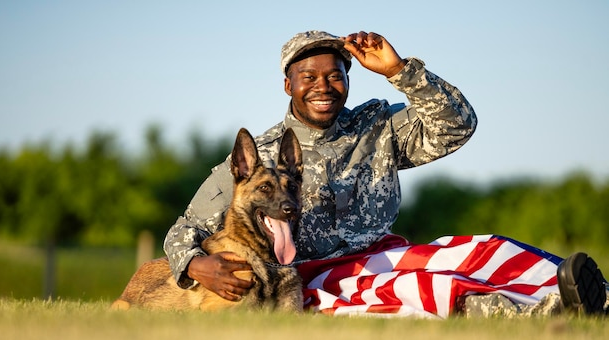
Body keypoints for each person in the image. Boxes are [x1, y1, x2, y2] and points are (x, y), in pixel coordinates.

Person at [164, 30, 608, 318]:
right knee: (419, 290)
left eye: (335, 75)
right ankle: (543, 311)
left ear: (348, 81)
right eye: (308, 76)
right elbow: (185, 228)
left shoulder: (377, 126)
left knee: (478, 249)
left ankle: (590, 292)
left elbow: (457, 126)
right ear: (288, 84)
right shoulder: (254, 159)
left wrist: (401, 72)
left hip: (381, 252)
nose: (322, 86)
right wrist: (194, 264)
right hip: (314, 275)